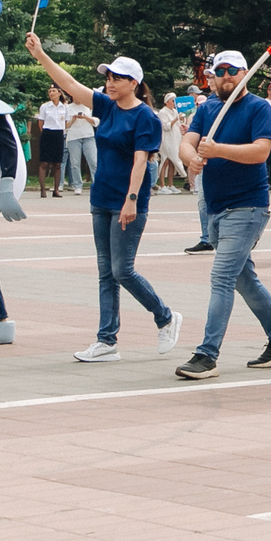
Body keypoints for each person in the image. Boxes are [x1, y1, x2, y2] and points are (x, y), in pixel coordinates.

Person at [27, 34, 184, 365]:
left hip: (127, 202)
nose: (109, 83)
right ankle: (106, 340)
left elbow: (141, 161)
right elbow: (70, 83)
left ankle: (166, 316)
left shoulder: (146, 117)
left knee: (122, 270)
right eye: (108, 77)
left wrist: (131, 200)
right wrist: (40, 55)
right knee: (105, 273)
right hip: (101, 199)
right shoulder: (106, 105)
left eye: (116, 78)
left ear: (134, 83)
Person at [175, 51, 271, 379]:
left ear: (245, 73)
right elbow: (187, 142)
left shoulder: (258, 108)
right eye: (220, 71)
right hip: (215, 207)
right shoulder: (207, 109)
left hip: (247, 207)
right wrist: (191, 158)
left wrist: (217, 151)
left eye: (233, 71)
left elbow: (261, 152)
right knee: (244, 279)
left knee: (222, 277)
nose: (226, 76)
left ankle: (207, 354)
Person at [35, 85, 71, 197]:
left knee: (57, 163)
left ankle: (56, 190)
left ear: (59, 93)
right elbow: (41, 122)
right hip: (47, 133)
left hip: (59, 134)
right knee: (44, 162)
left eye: (54, 91)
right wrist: (45, 133)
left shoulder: (64, 107)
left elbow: (66, 122)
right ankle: (43, 190)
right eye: (50, 91)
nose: (51, 93)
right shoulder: (45, 106)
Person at [60, 91, 97, 195]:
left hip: (88, 136)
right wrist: (73, 119)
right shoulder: (67, 108)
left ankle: (97, 184)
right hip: (73, 137)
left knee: (93, 161)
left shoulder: (88, 107)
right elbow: (65, 125)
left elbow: (96, 122)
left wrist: (85, 117)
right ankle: (77, 185)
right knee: (75, 163)